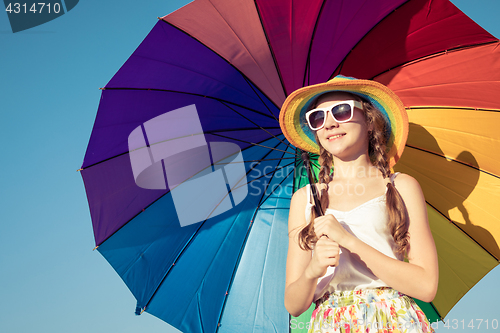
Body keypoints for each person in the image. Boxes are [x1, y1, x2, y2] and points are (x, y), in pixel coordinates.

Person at [279, 76, 438, 332]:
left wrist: (350, 241)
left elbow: (426, 286)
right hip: (330, 324)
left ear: (370, 121)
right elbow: (293, 304)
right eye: (318, 118)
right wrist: (313, 270)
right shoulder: (304, 200)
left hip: (394, 321)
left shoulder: (401, 186)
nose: (329, 123)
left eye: (341, 111)